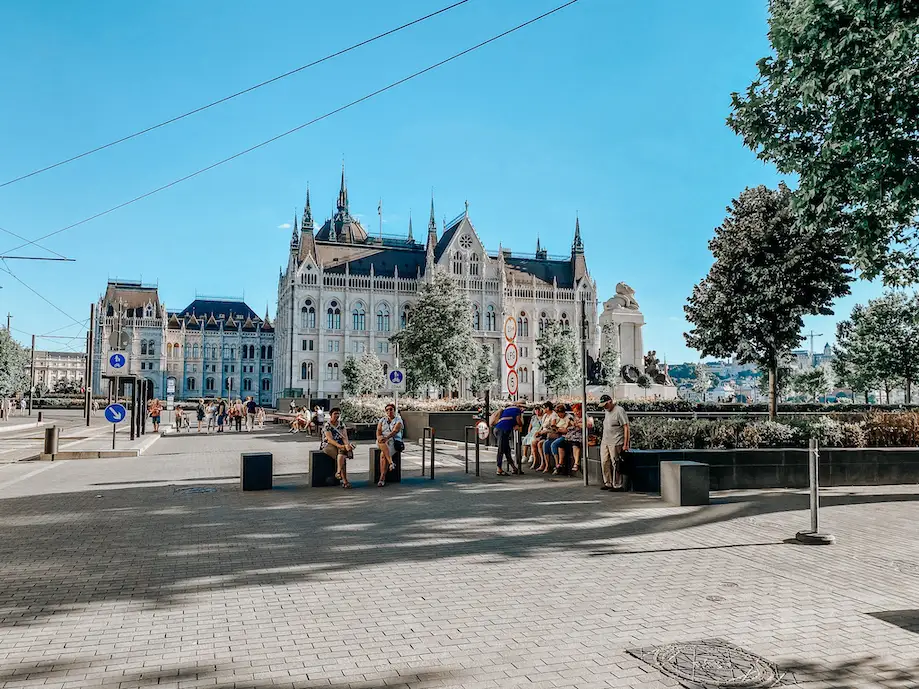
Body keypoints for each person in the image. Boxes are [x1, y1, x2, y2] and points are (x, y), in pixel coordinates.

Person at [599, 394, 630, 490]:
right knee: (604, 461)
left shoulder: (619, 410)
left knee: (615, 463)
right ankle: (607, 482)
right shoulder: (606, 411)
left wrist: (625, 444)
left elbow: (626, 426)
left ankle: (617, 484)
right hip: (606, 440)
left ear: (610, 402)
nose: (605, 407)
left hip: (616, 441)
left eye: (606, 405)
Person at [321, 408, 353, 489]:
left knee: (341, 455)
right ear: (331, 415)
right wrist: (340, 446)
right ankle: (345, 481)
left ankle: (338, 473)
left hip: (340, 445)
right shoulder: (327, 425)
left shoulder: (341, 424)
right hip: (328, 445)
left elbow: (344, 437)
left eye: (338, 413)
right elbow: (329, 439)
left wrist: (346, 446)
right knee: (342, 457)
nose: (337, 415)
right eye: (335, 413)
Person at [375, 403, 403, 487]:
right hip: (382, 441)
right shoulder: (382, 420)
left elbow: (395, 431)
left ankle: (382, 478)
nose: (389, 411)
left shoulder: (398, 420)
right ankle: (391, 463)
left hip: (393, 441)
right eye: (387, 410)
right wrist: (379, 437)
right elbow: (378, 430)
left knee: (383, 454)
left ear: (394, 410)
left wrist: (386, 438)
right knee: (381, 442)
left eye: (391, 409)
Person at [491, 402, 523, 476]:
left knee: (507, 450)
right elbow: (518, 420)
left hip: (498, 429)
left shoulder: (508, 409)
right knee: (501, 449)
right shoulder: (517, 410)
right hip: (503, 430)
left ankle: (514, 468)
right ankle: (499, 469)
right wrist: (520, 424)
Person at [522, 405, 544, 469]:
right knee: (525, 440)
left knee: (532, 440)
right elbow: (530, 426)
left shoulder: (543, 417)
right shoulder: (533, 417)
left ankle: (532, 455)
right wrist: (529, 432)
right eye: (536, 410)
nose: (537, 411)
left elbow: (542, 426)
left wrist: (538, 432)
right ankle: (524, 455)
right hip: (532, 430)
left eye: (538, 410)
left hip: (538, 431)